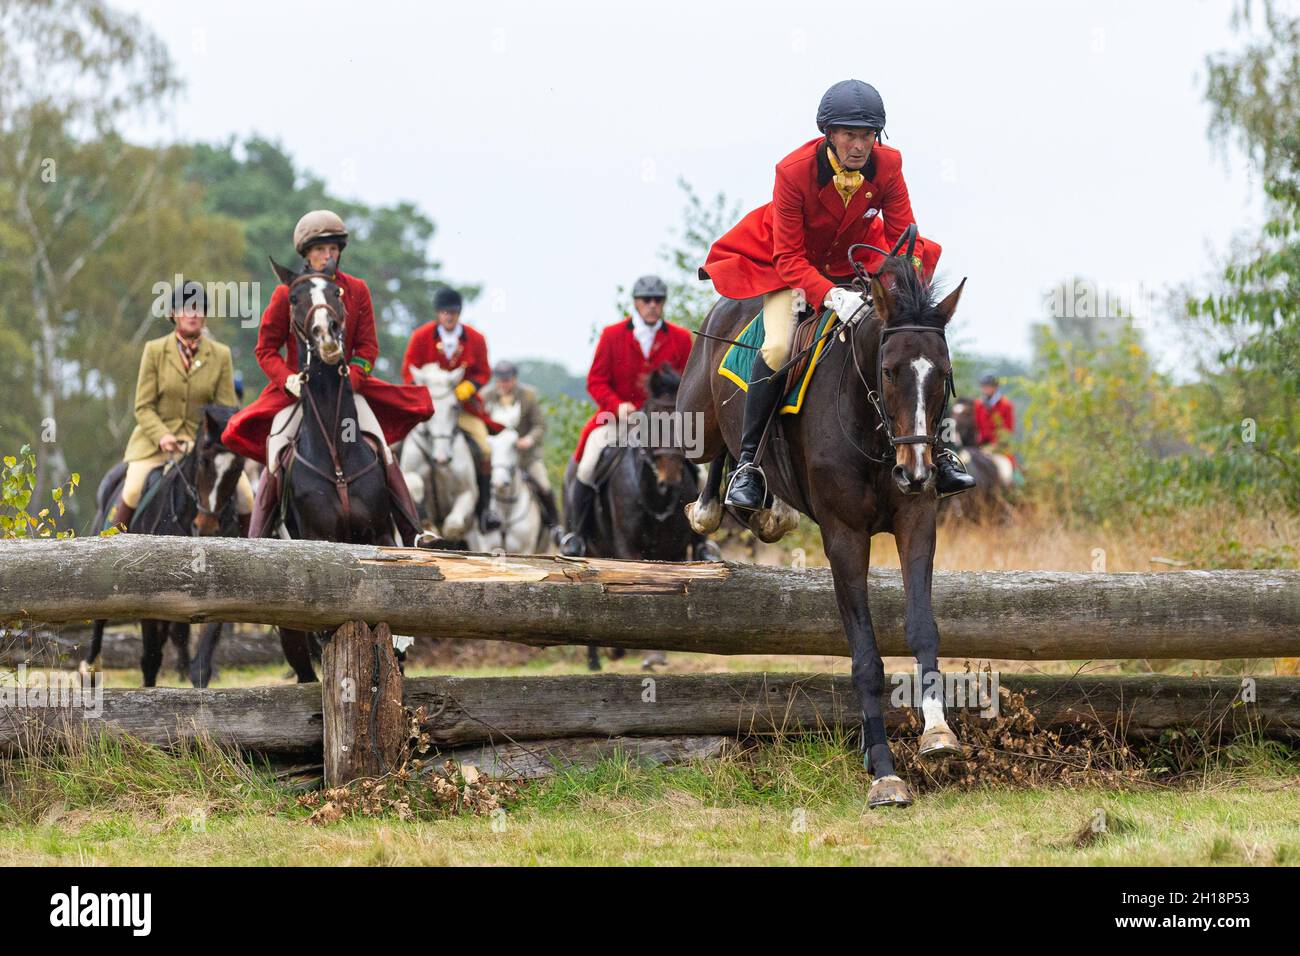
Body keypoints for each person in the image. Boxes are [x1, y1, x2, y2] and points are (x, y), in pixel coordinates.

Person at [701, 79, 974, 509]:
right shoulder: (792, 173)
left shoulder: (888, 166)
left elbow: (905, 237)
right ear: (829, 133)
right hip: (793, 270)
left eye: (868, 135)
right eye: (849, 134)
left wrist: (906, 293)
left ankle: (936, 446)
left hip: (857, 266)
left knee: (914, 339)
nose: (859, 145)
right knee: (777, 344)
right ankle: (748, 465)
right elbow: (789, 257)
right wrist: (830, 295)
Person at [221, 210, 430, 542]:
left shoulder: (356, 290)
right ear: (306, 254)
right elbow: (265, 350)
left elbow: (367, 349)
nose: (327, 255)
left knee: (381, 447)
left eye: (333, 248)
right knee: (276, 450)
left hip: (346, 396)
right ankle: (257, 541)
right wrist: (287, 380)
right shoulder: (286, 294)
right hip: (298, 395)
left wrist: (353, 378)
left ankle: (415, 533)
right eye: (320, 249)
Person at [560, 275, 692, 557]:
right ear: (636, 303)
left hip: (664, 426)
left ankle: (701, 541)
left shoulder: (681, 338)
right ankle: (576, 535)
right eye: (647, 300)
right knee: (586, 464)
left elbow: (691, 383)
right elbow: (595, 381)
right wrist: (617, 405)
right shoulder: (612, 335)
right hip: (618, 421)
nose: (652, 305)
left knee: (700, 472)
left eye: (658, 300)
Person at [113, 282, 254, 533]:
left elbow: (225, 411)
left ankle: (255, 555)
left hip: (204, 448)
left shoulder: (221, 355)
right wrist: (162, 436)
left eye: (198, 309)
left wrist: (213, 441)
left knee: (245, 494)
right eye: (187, 308)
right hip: (156, 444)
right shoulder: (154, 351)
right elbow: (143, 407)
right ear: (174, 313)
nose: (193, 314)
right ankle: (107, 548)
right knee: (133, 489)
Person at [401, 286, 504, 532]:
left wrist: (468, 387)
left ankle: (485, 511)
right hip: (428, 408)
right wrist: (423, 389)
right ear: (438, 313)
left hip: (463, 409)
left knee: (485, 448)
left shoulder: (476, 339)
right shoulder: (421, 336)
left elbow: (484, 372)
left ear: (459, 314)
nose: (449, 317)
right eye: (445, 312)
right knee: (396, 444)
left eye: (454, 313)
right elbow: (408, 370)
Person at [479, 360, 561, 536]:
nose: (503, 384)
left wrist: (529, 440)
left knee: (544, 485)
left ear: (514, 379)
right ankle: (479, 521)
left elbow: (540, 425)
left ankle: (555, 527)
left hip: (524, 456)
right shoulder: (486, 396)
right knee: (477, 484)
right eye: (500, 380)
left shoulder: (528, 396)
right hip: (496, 458)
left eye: (507, 380)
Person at [974, 373, 1016, 457]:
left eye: (988, 386)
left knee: (1010, 468)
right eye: (983, 386)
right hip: (980, 446)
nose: (985, 388)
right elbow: (976, 426)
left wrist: (995, 446)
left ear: (996, 387)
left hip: (1000, 448)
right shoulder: (978, 404)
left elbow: (1008, 430)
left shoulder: (1006, 405)